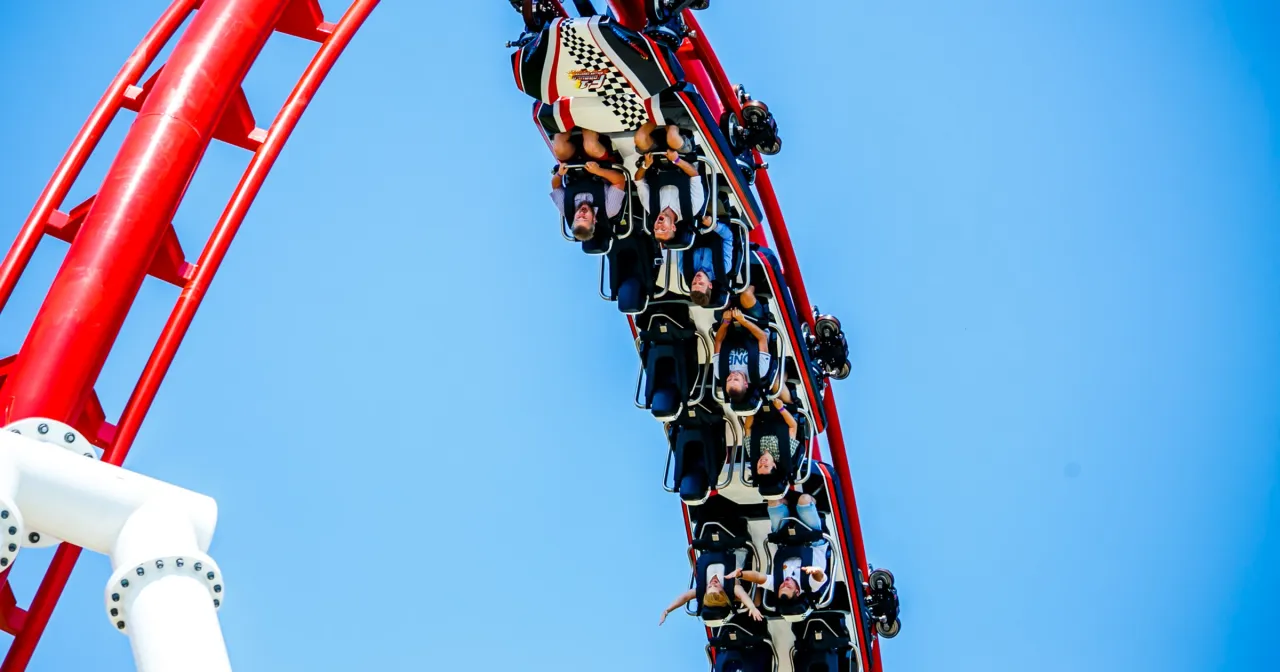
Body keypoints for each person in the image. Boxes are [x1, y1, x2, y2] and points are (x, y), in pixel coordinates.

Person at [726, 495, 829, 609]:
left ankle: (785, 503)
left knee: (773, 502)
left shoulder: (777, 583)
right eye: (788, 587)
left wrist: (740, 574)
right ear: (797, 592)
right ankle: (812, 503)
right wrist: (815, 571)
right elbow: (820, 577)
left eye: (781, 587)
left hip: (786, 540)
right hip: (813, 540)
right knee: (803, 500)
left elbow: (758, 577)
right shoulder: (811, 585)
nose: (784, 583)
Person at [633, 122, 705, 245]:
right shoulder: (692, 208)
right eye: (663, 229)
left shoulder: (650, 207)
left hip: (655, 159)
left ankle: (655, 116)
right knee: (672, 136)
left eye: (656, 229)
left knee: (640, 138)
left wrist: (645, 166)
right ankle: (669, 119)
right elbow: (694, 174)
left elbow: (638, 180)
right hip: (682, 156)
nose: (658, 225)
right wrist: (676, 160)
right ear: (673, 227)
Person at [713, 302, 790, 405]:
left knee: (720, 305)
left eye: (728, 380)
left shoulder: (720, 372)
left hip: (730, 328)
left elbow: (718, 341)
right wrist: (743, 320)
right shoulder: (759, 371)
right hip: (755, 324)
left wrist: (726, 322)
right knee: (746, 297)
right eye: (736, 379)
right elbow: (762, 337)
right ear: (745, 384)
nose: (732, 375)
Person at [659, 564, 764, 625]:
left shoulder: (702, 589)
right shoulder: (732, 589)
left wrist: (667, 610)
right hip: (739, 579)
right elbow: (742, 595)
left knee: (753, 601)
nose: (713, 583)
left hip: (736, 565)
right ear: (722, 591)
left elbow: (685, 597)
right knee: (756, 602)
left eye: (710, 587)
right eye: (716, 586)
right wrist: (752, 607)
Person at [549, 160, 627, 242]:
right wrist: (599, 171)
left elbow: (556, 186)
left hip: (573, 167)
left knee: (560, 150)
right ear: (593, 220)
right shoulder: (610, 209)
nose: (582, 213)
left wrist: (559, 174)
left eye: (578, 218)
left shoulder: (566, 209)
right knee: (591, 147)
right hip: (600, 164)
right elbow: (620, 180)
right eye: (585, 218)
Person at [744, 397, 799, 480]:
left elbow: (748, 428)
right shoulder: (786, 453)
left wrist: (753, 409)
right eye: (766, 466)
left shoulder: (753, 453)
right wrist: (780, 408)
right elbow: (793, 426)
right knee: (776, 387)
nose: (762, 463)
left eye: (759, 466)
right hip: (783, 413)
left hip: (759, 413)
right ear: (774, 465)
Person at [688, 215, 735, 307]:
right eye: (701, 283)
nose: (697, 279)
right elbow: (729, 237)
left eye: (694, 283)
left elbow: (684, 243)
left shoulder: (685, 268)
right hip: (716, 220)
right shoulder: (723, 267)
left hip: (692, 223)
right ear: (710, 285)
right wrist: (713, 225)